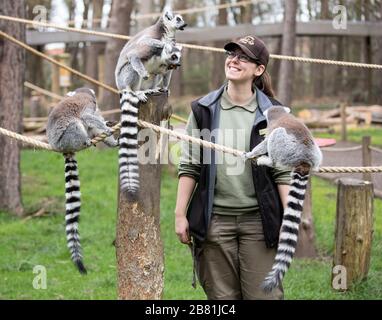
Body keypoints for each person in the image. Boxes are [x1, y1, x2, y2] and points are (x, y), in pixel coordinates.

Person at [174, 35, 291, 300]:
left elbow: (284, 171)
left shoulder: (275, 113)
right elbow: (190, 165)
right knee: (222, 299)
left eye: (244, 57)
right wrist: (180, 214)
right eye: (231, 54)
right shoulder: (203, 109)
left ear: (258, 69)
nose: (234, 60)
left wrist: (289, 219)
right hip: (214, 221)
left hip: (260, 223)